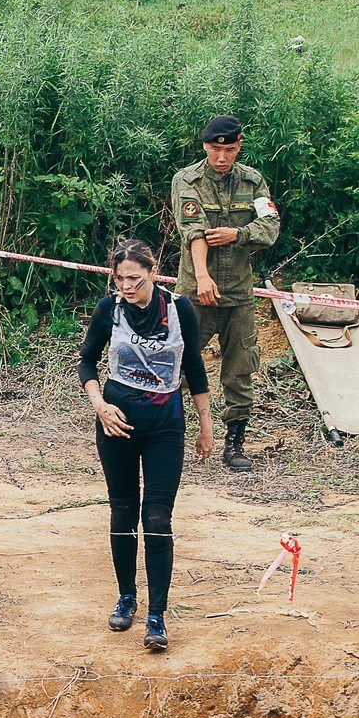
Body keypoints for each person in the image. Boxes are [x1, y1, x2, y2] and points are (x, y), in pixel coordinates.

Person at [79, 239, 214, 654]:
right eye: (120, 278)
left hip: (165, 428)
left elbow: (194, 367)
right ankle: (126, 597)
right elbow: (86, 361)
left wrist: (206, 426)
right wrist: (100, 406)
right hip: (116, 425)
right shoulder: (109, 309)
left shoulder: (179, 308)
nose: (126, 286)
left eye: (135, 279)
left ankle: (157, 615)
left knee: (156, 517)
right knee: (123, 511)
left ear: (153, 273)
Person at [172, 115, 280, 473]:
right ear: (205, 146)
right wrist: (203, 277)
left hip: (239, 293)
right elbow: (193, 231)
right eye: (215, 149)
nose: (222, 157)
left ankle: (235, 443)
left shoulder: (253, 181)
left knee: (240, 369)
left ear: (239, 146)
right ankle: (169, 435)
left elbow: (270, 227)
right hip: (196, 293)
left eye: (230, 150)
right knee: (176, 364)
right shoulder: (187, 180)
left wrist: (239, 234)